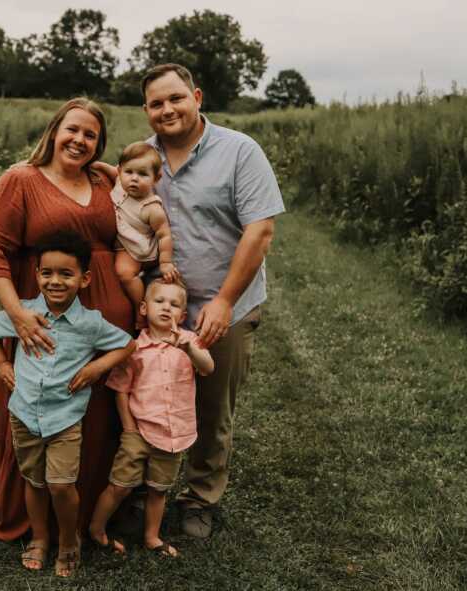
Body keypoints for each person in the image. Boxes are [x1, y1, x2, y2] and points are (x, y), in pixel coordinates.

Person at [0, 98, 134, 557]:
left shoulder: (103, 179)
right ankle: (33, 517)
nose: (80, 141)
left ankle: (86, 513)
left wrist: (109, 167)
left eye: (91, 136)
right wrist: (18, 316)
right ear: (54, 129)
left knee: (96, 415)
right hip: (44, 318)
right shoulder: (20, 179)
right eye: (73, 130)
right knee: (39, 403)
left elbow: (143, 183)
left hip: (100, 325)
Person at [139, 64, 285, 538]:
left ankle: (200, 498)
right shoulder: (144, 157)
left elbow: (260, 230)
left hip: (225, 304)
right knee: (149, 395)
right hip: (160, 308)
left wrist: (223, 300)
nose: (168, 109)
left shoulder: (240, 151)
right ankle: (144, 488)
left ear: (197, 96)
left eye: (176, 98)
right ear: (147, 111)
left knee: (211, 406)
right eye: (157, 103)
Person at [0, 232, 135, 576]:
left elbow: (127, 345)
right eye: (47, 273)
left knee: (61, 485)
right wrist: (2, 364)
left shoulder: (90, 323)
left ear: (84, 279)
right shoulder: (24, 314)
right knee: (34, 482)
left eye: (66, 274)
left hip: (65, 419)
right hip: (23, 414)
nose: (55, 281)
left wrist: (97, 367)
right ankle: (39, 538)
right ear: (36, 275)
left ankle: (69, 541)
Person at [88, 278, 213, 558]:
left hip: (174, 435)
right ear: (144, 308)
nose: (166, 308)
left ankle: (152, 537)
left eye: (175, 304)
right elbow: (120, 389)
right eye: (160, 301)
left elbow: (208, 367)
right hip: (139, 432)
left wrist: (189, 349)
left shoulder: (190, 341)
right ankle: (96, 529)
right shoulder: (134, 349)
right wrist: (130, 429)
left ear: (183, 315)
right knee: (120, 485)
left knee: (159, 489)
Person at [96, 142, 179, 326]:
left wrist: (166, 262)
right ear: (120, 171)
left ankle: (140, 308)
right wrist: (95, 164)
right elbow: (110, 170)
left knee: (124, 273)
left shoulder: (151, 208)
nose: (134, 179)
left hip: (134, 248)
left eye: (142, 174)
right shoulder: (119, 183)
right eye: (129, 172)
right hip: (119, 241)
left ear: (156, 178)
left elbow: (164, 235)